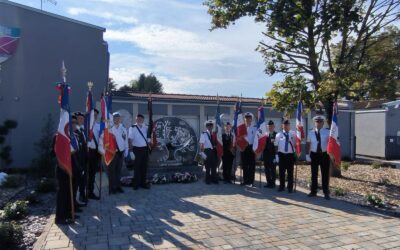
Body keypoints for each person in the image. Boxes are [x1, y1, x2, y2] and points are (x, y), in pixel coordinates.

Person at [306, 115, 331, 200]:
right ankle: (313, 191)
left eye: (320, 122)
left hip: (324, 155)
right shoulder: (310, 132)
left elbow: (331, 143)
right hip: (314, 154)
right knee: (314, 174)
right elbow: (308, 144)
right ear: (314, 123)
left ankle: (326, 192)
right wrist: (307, 154)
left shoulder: (328, 132)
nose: (318, 123)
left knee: (325, 174)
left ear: (323, 123)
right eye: (317, 122)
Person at [107, 112, 128, 194]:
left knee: (119, 171)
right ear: (113, 119)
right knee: (112, 171)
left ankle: (118, 186)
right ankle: (112, 187)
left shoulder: (123, 129)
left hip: (121, 152)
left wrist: (126, 150)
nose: (117, 119)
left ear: (120, 119)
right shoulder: (110, 129)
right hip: (112, 153)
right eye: (115, 118)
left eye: (118, 118)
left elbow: (125, 140)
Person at [129, 114, 151, 190]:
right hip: (136, 150)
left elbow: (149, 136)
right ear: (136, 120)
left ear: (143, 120)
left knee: (144, 167)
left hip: (145, 149)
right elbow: (130, 140)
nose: (139, 120)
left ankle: (143, 183)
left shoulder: (146, 127)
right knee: (137, 167)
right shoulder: (132, 128)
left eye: (141, 119)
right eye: (138, 119)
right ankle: (136, 184)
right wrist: (131, 151)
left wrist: (149, 140)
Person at [275, 119, 296, 193]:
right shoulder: (278, 135)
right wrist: (276, 155)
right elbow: (276, 146)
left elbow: (297, 144)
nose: (286, 126)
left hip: (290, 155)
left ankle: (290, 187)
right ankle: (281, 186)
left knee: (290, 172)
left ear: (289, 126)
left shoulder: (293, 134)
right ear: (282, 126)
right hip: (282, 155)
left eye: (287, 125)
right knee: (281, 172)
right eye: (285, 125)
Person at [87, 109, 101, 200]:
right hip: (87, 152)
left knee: (92, 173)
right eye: (93, 115)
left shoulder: (99, 126)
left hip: (96, 152)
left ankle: (90, 192)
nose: (94, 116)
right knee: (85, 174)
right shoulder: (86, 125)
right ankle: (83, 193)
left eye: (96, 115)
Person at [199, 120, 218, 184]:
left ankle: (214, 179)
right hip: (207, 151)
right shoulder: (204, 134)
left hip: (213, 151)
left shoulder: (214, 134)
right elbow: (201, 143)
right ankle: (207, 180)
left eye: (211, 125)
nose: (210, 127)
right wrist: (202, 153)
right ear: (206, 126)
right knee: (207, 166)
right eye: (208, 125)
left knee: (214, 166)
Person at [75, 112, 88, 203]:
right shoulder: (74, 132)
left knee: (83, 179)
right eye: (79, 118)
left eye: (82, 119)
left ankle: (82, 195)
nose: (81, 120)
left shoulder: (82, 130)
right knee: (77, 180)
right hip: (77, 161)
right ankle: (77, 198)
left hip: (84, 159)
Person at [241, 112, 257, 187]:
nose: (248, 119)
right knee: (244, 165)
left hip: (251, 148)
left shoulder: (255, 128)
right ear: (245, 119)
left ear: (251, 119)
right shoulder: (242, 128)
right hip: (244, 147)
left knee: (251, 165)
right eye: (246, 118)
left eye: (249, 118)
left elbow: (256, 139)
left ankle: (251, 181)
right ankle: (245, 180)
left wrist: (256, 148)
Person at [262, 120, 277, 188]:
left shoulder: (276, 135)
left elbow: (277, 146)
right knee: (266, 169)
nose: (270, 127)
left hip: (273, 155)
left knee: (273, 169)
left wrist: (276, 156)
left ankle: (273, 183)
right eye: (269, 126)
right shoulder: (264, 135)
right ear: (267, 127)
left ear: (274, 127)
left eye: (271, 126)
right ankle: (268, 182)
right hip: (266, 154)